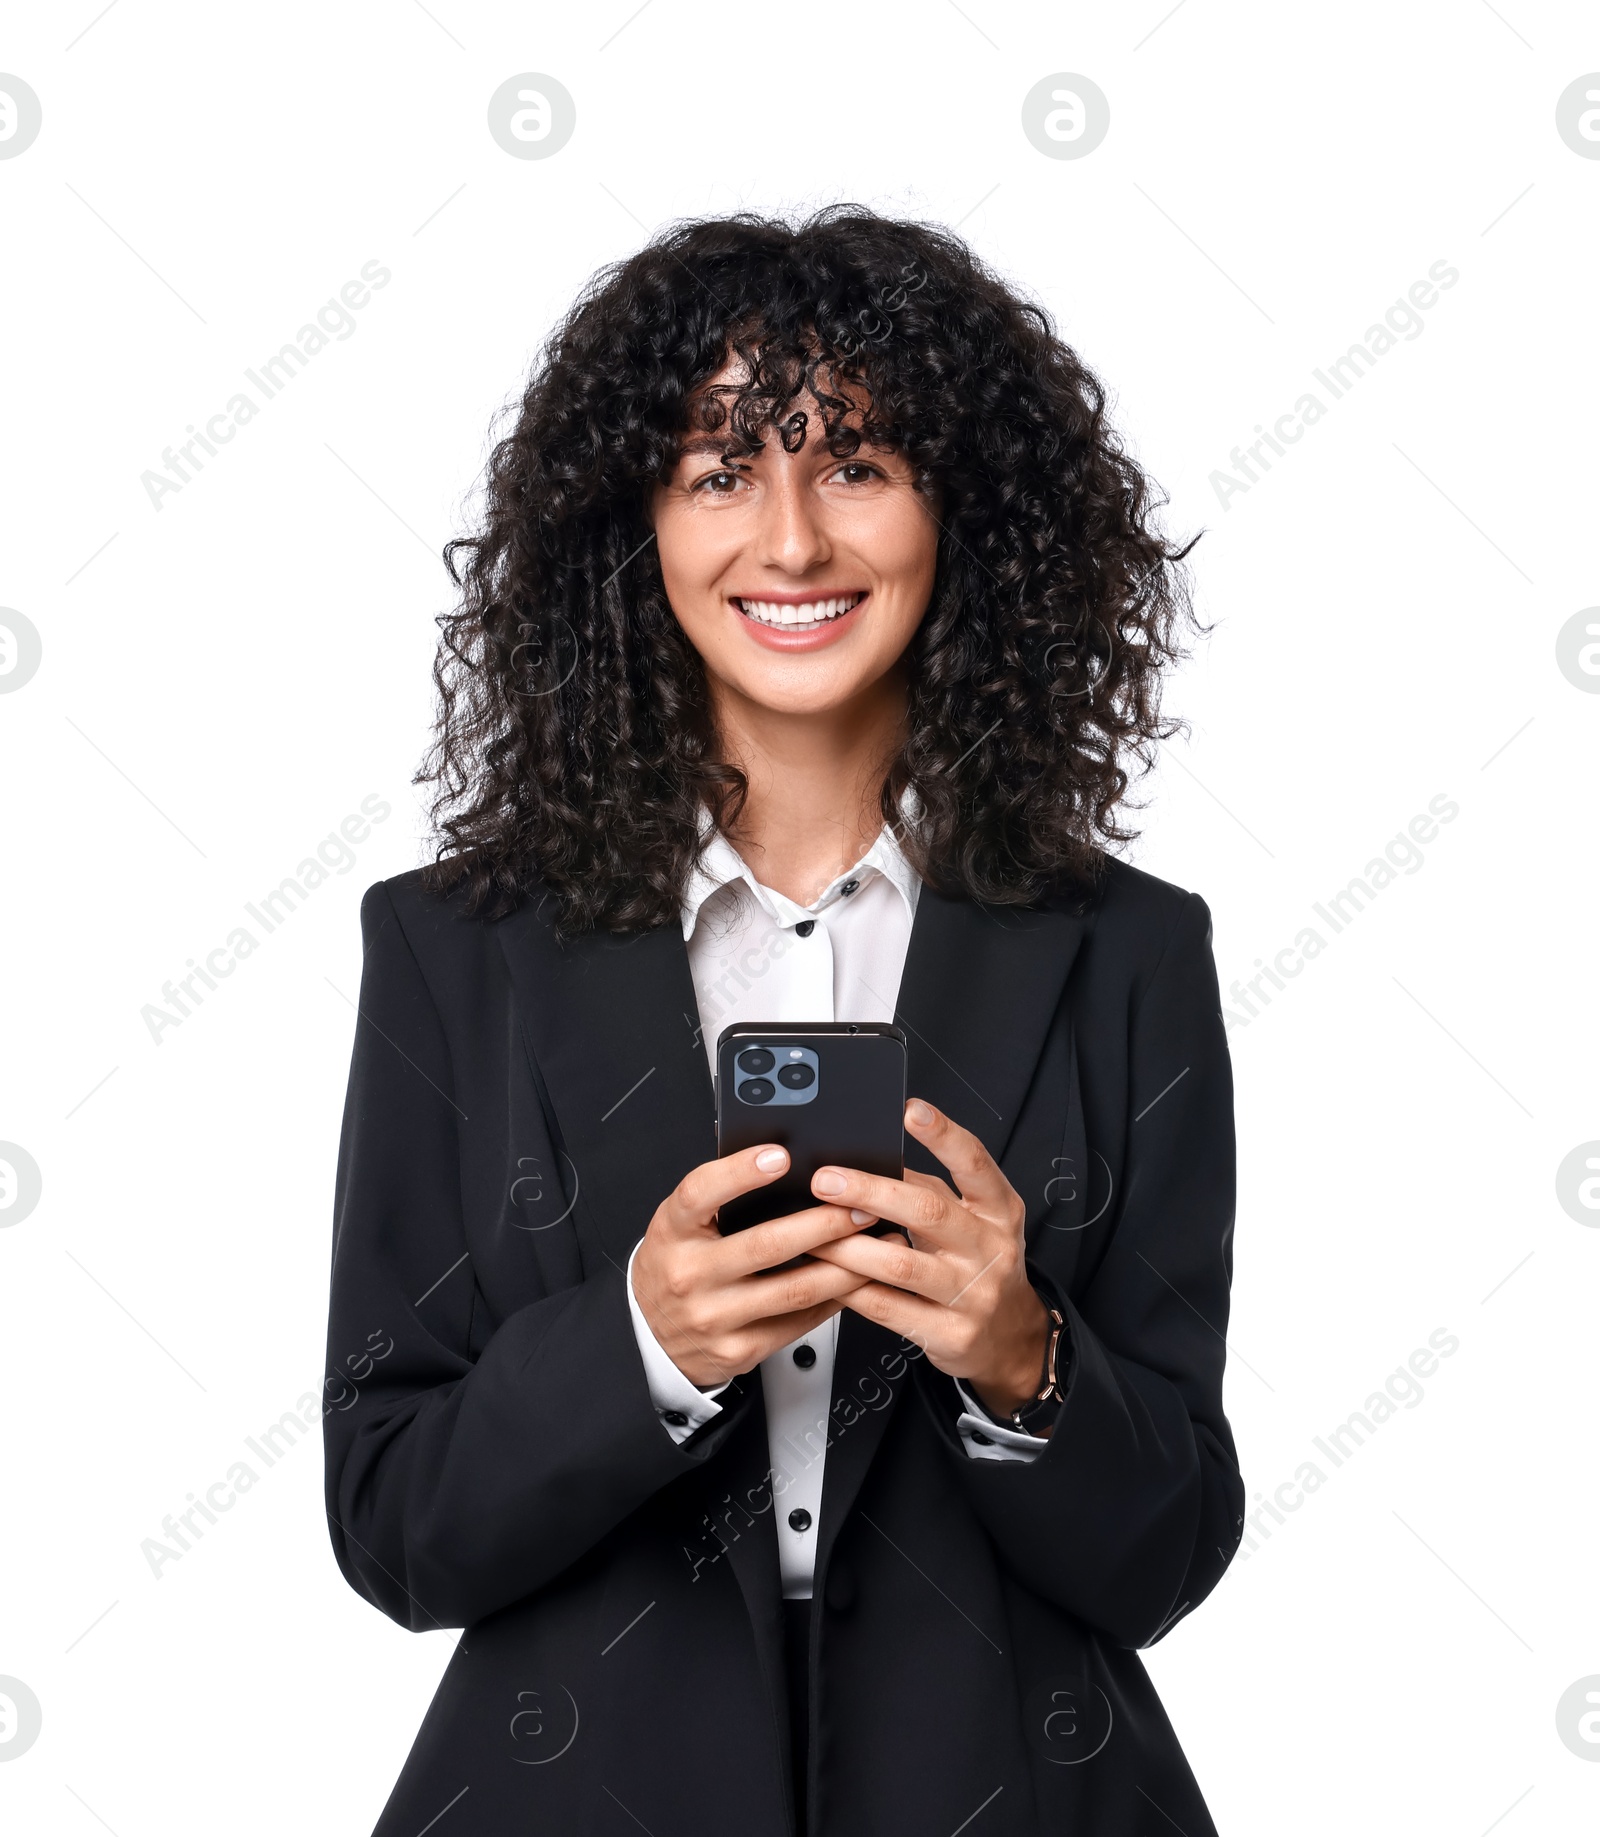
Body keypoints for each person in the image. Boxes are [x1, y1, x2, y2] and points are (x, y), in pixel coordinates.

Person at [323, 205, 1244, 1837]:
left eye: (861, 465)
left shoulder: (1130, 953)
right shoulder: (455, 949)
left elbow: (1169, 1553)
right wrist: (639, 1348)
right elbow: (393, 1521)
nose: (797, 540)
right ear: (638, 527)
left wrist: (1024, 1361)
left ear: (967, 513)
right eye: (722, 470)